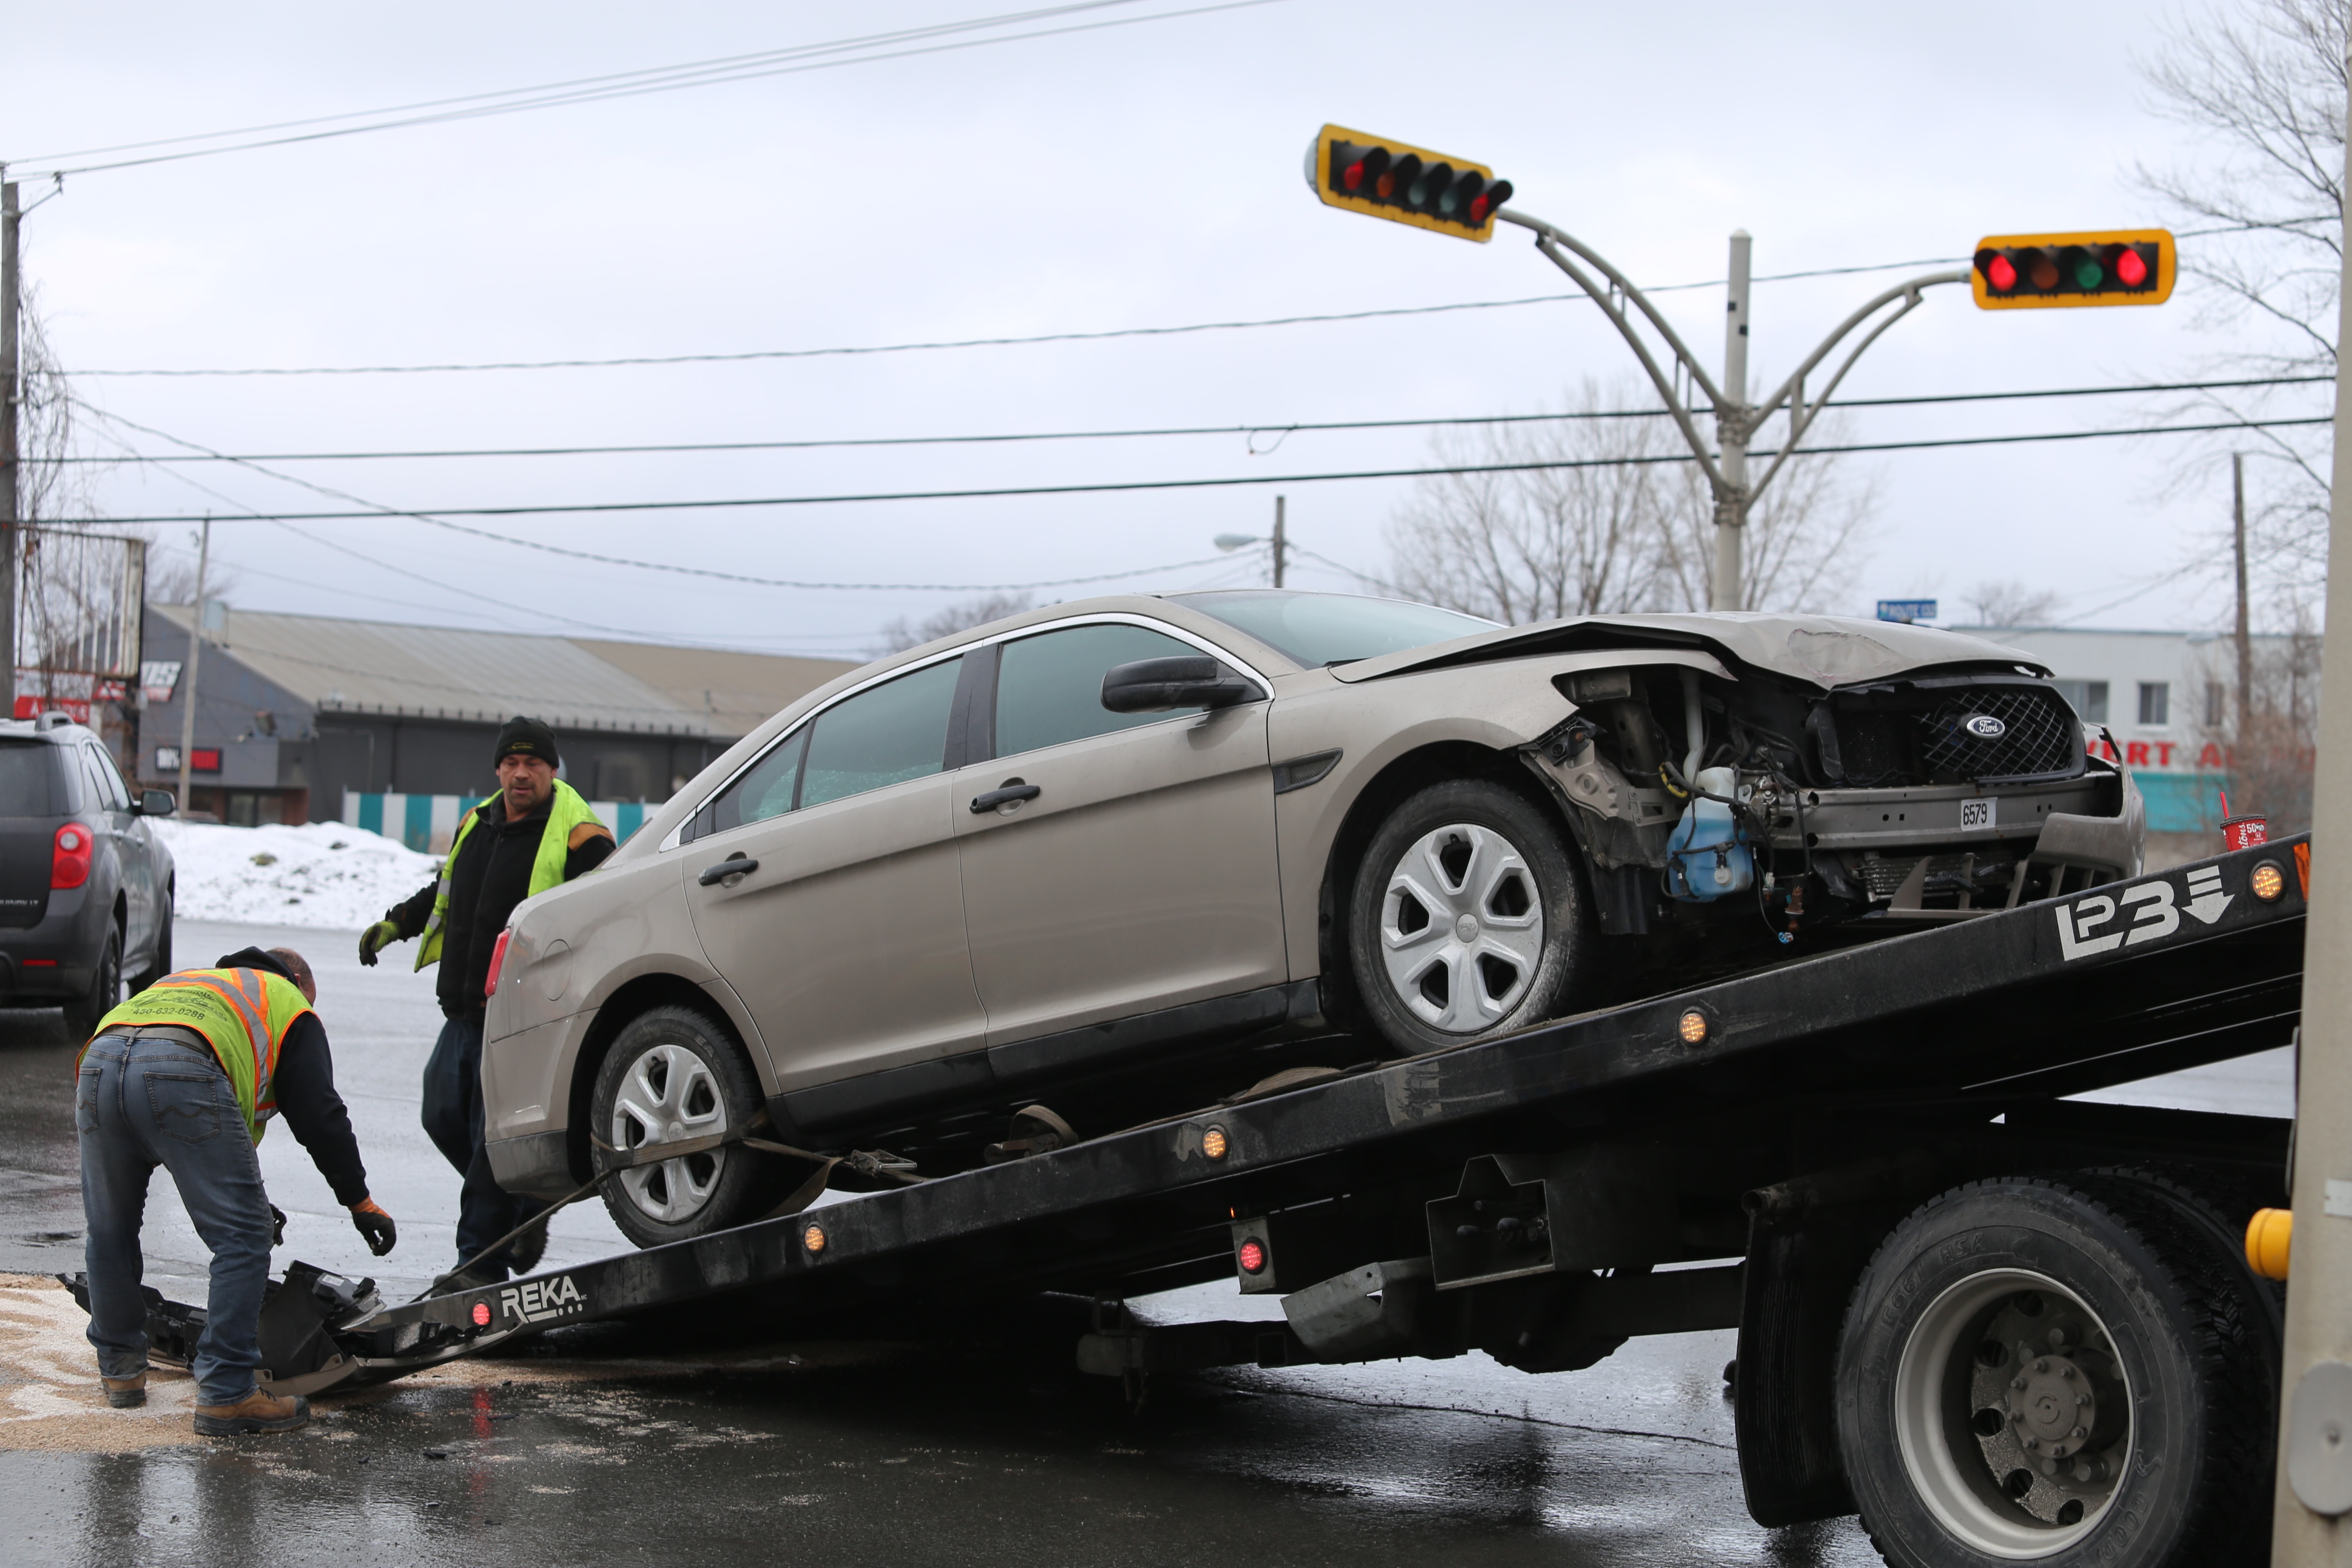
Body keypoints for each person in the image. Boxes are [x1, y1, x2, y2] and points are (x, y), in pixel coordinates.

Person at [79, 945, 397, 1436]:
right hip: (180, 1066)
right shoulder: (287, 1001)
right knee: (245, 1237)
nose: (311, 1010)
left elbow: (213, 1141)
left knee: (110, 1228)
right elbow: (321, 1114)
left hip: (99, 1061)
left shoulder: (196, 984)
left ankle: (120, 1372)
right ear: (296, 979)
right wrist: (360, 1202)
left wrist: (249, 1197)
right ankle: (227, 1393)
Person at [360, 716, 614, 1292]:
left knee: (487, 1141)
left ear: (553, 771)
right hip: (467, 1008)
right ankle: (523, 1210)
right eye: (512, 763)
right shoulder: (479, 823)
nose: (521, 774)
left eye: (534, 765)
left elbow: (611, 907)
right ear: (498, 767)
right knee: (441, 1115)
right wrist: (396, 923)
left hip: (528, 1014)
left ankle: (480, 1263)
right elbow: (445, 892)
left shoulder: (580, 834)